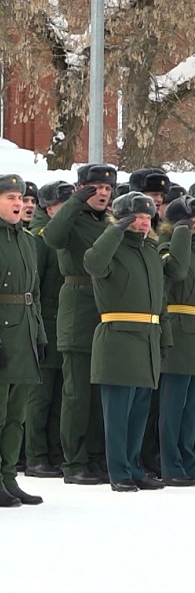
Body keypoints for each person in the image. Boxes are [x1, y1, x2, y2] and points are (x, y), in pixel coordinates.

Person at [83, 193, 172, 491]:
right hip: (119, 338)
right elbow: (93, 263)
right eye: (137, 218)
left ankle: (134, 467)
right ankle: (119, 471)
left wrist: (165, 338)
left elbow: (160, 300)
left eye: (148, 218)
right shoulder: (112, 248)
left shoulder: (150, 251)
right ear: (122, 219)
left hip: (148, 338)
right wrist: (115, 231)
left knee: (139, 412)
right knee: (118, 413)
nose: (145, 223)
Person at [0, 174, 45, 507]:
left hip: (25, 334)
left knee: (17, 415)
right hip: (1, 334)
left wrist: (40, 335)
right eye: (11, 197)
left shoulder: (27, 239)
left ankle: (9, 476)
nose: (19, 203)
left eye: (21, 197)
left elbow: (35, 294)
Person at [43, 164, 116, 485]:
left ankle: (97, 457)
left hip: (107, 307)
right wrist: (73, 202)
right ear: (81, 188)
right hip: (79, 308)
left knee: (101, 390)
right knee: (77, 394)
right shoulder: (71, 219)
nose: (102, 193)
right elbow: (52, 236)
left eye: (107, 188)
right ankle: (74, 461)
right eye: (95, 187)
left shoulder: (109, 222)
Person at [23, 181, 72, 477]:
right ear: (50, 208)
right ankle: (36, 455)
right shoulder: (40, 238)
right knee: (40, 396)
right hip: (46, 317)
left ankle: (54, 452)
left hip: (63, 318)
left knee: (60, 394)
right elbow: (35, 286)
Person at [158, 196, 195, 485]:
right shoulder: (166, 244)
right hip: (179, 330)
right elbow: (178, 272)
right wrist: (181, 232)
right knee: (173, 404)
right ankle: (171, 463)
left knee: (191, 406)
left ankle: (189, 460)